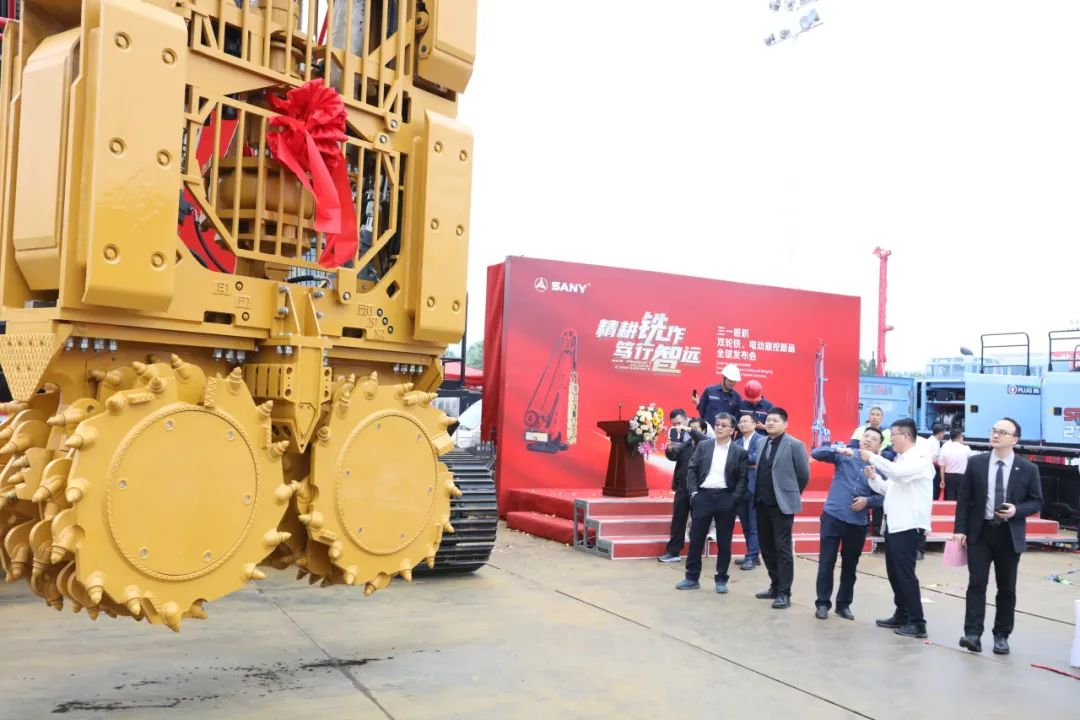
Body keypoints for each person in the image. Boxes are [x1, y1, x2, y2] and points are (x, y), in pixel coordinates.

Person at [952, 417, 1043, 656]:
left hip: (1009, 534)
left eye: (1002, 432)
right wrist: (959, 529)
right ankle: (973, 634)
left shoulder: (1028, 469)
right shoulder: (976, 463)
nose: (995, 435)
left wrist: (1016, 510)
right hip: (980, 532)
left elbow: (1036, 501)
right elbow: (964, 498)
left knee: (1006, 587)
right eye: (994, 430)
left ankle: (1001, 635)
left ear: (1015, 439)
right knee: (976, 583)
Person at [861, 418, 934, 639]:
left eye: (892, 435)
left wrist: (873, 456)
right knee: (895, 573)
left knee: (905, 574)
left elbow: (898, 474)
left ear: (905, 435)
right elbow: (889, 488)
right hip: (895, 524)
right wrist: (874, 478)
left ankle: (917, 622)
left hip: (909, 525)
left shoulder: (920, 458)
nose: (889, 440)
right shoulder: (901, 460)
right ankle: (902, 613)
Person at [810, 428, 885, 620]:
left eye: (874, 439)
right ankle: (822, 603)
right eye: (866, 436)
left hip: (857, 522)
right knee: (826, 562)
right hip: (833, 515)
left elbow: (885, 495)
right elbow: (816, 453)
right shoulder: (846, 454)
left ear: (879, 445)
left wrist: (867, 501)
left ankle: (843, 605)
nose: (868, 440)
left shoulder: (881, 467)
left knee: (850, 566)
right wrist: (838, 449)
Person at [675, 414, 749, 593]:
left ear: (732, 430)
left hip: (726, 498)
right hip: (703, 496)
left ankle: (721, 579)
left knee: (724, 541)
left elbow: (742, 478)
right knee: (696, 538)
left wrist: (734, 499)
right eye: (717, 424)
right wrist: (694, 492)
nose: (719, 427)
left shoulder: (739, 452)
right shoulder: (704, 446)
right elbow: (692, 468)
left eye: (724, 425)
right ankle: (692, 577)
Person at [753, 408, 810, 609]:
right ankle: (775, 585)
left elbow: (803, 475)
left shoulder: (795, 445)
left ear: (785, 424)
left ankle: (784, 593)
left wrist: (789, 494)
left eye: (775, 420)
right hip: (761, 502)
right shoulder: (761, 442)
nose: (770, 423)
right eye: (768, 420)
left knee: (782, 548)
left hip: (781, 505)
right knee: (766, 547)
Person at [658, 410, 709, 563]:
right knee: (678, 520)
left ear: (703, 430)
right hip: (682, 486)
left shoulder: (707, 444)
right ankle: (673, 551)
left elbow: (703, 439)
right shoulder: (686, 444)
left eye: (695, 429)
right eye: (690, 428)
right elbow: (673, 456)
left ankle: (695, 554)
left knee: (697, 522)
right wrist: (670, 449)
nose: (690, 431)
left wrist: (689, 430)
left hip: (699, 489)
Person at [733, 413, 765, 570]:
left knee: (753, 524)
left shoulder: (761, 440)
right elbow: (733, 461)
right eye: (740, 421)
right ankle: (752, 554)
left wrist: (741, 461)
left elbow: (755, 458)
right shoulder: (736, 442)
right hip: (740, 487)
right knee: (745, 523)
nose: (742, 424)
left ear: (754, 424)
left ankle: (752, 556)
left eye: (746, 421)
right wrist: (745, 461)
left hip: (755, 486)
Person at [938, 430, 972, 500]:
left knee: (950, 499)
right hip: (962, 477)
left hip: (948, 477)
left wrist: (942, 480)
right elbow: (971, 462)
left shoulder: (945, 449)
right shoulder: (966, 449)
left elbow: (942, 466)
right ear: (960, 437)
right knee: (961, 499)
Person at [927, 424, 946, 500]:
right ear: (940, 433)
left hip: (930, 471)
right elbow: (934, 460)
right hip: (933, 472)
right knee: (934, 493)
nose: (944, 435)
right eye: (943, 433)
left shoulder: (932, 440)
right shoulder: (934, 443)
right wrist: (942, 467)